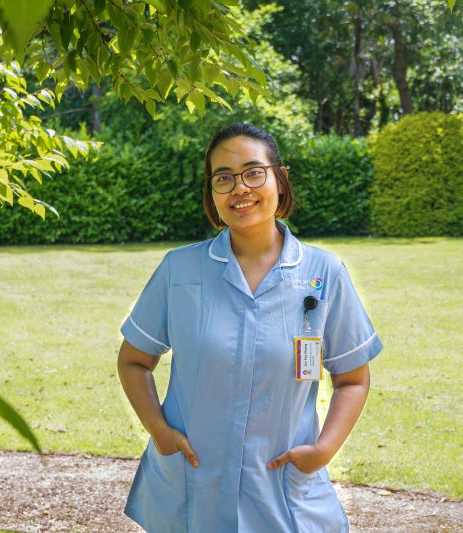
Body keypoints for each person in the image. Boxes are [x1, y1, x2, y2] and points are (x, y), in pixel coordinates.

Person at [117, 122, 383, 532]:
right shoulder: (180, 270)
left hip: (282, 484)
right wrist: (160, 432)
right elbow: (134, 361)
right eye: (223, 178)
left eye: (253, 172)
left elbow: (352, 379)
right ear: (212, 192)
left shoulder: (322, 274)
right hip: (193, 482)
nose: (239, 188)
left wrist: (323, 450)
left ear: (280, 178)